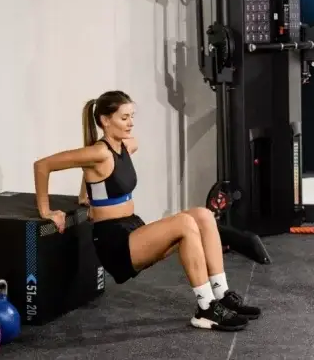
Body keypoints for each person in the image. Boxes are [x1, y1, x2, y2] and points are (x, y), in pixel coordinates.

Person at [33, 90, 261, 331]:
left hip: (132, 226)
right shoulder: (98, 152)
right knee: (185, 223)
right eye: (124, 118)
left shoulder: (127, 145)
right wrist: (46, 211)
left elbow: (92, 171)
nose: (130, 123)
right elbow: (42, 165)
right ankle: (206, 309)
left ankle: (221, 294)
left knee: (203, 215)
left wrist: (86, 194)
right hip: (114, 241)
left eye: (132, 116)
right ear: (105, 120)